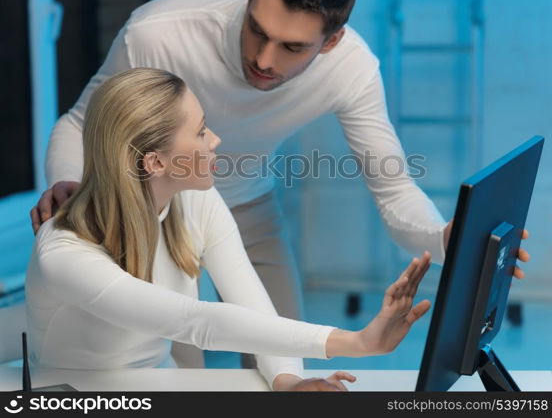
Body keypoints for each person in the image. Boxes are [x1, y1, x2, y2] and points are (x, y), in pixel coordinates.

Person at [30, 0, 530, 370]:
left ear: (331, 41)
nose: (264, 61)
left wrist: (448, 239)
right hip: (149, 211)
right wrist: (69, 182)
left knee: (286, 357)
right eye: (257, 31)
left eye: (292, 47)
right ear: (249, 1)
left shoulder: (351, 69)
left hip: (246, 208)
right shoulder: (159, 33)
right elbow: (79, 122)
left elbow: (394, 186)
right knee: (177, 367)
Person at [26, 68, 434, 391]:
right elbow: (198, 321)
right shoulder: (64, 251)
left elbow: (251, 304)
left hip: (159, 383)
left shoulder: (194, 199)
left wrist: (286, 379)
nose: (215, 140)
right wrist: (357, 342)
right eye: (201, 131)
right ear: (154, 163)